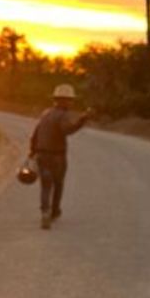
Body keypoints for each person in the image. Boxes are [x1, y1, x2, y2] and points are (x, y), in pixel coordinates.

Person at [29, 83, 92, 230]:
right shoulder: (63, 115)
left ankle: (45, 211)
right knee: (58, 183)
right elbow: (67, 130)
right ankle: (54, 211)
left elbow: (35, 134)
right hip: (57, 156)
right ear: (64, 101)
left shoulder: (45, 114)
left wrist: (32, 151)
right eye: (70, 100)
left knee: (45, 185)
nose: (71, 103)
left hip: (42, 154)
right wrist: (82, 119)